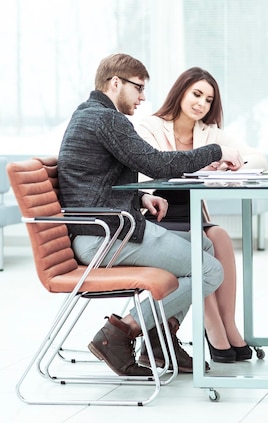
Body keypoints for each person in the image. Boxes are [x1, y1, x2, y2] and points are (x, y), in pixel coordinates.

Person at [57, 53, 244, 376]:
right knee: (210, 271)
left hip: (106, 230)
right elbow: (159, 164)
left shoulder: (87, 115)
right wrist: (216, 151)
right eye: (138, 88)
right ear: (116, 83)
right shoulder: (108, 119)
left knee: (206, 247)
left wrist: (141, 196)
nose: (143, 97)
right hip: (107, 237)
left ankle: (159, 337)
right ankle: (120, 332)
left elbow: (91, 180)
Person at [135, 67, 267, 363]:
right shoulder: (150, 126)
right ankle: (213, 327)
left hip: (192, 211)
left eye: (208, 100)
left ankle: (228, 323)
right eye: (196, 94)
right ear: (180, 92)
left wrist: (230, 166)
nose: (201, 104)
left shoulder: (209, 132)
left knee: (218, 235)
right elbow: (151, 169)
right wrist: (200, 164)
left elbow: (258, 158)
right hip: (156, 212)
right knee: (199, 245)